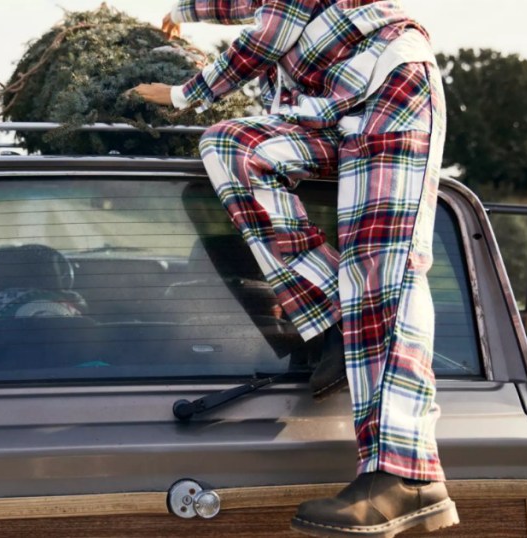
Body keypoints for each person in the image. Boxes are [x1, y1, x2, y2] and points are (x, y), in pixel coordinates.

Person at [130, 1, 458, 536]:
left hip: (390, 88)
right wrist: (182, 11)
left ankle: (406, 478)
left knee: (382, 265)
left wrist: (183, 95)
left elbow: (269, 32)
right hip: (327, 105)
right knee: (232, 145)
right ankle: (336, 318)